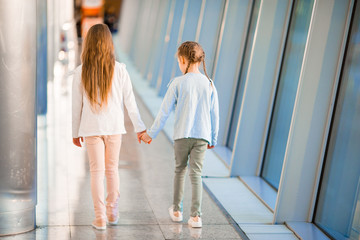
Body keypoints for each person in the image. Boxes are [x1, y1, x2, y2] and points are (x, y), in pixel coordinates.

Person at [72, 24, 146, 230]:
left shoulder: (80, 72)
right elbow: (130, 102)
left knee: (96, 172)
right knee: (112, 170)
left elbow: (75, 106)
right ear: (108, 44)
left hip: (90, 129)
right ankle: (113, 211)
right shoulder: (120, 69)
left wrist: (74, 132)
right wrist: (140, 128)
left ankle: (100, 217)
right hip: (114, 128)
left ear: (88, 45)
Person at [140, 41, 219, 228]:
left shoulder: (177, 83)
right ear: (200, 61)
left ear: (183, 60)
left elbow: (164, 112)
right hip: (202, 136)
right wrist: (213, 138)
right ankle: (196, 217)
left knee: (179, 171)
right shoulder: (209, 84)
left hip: (182, 135)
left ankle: (176, 210)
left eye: (179, 61)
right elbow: (215, 114)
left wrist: (150, 134)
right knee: (197, 174)